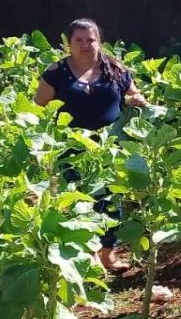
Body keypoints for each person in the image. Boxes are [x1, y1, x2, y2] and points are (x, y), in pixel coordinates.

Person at [34, 19, 172, 302]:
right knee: (79, 202)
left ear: (99, 40)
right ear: (68, 43)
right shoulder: (55, 73)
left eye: (91, 39)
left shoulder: (115, 69)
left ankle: (108, 254)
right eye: (79, 40)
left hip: (111, 146)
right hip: (71, 148)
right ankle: (90, 257)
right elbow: (39, 108)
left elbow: (134, 94)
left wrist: (137, 101)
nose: (85, 45)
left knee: (111, 201)